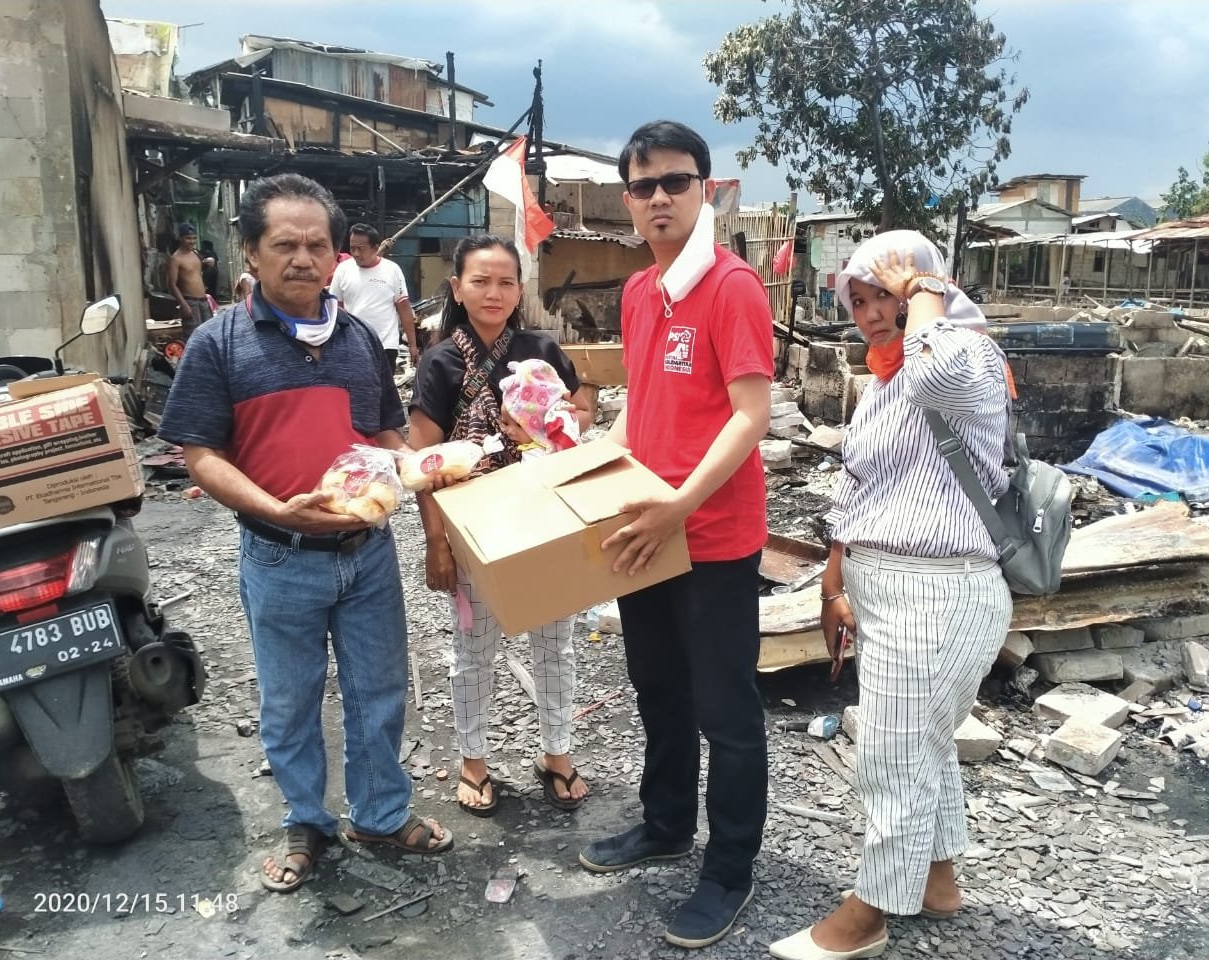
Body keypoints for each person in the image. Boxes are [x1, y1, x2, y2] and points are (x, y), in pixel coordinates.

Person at [157, 173, 452, 896]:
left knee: (380, 691)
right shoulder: (218, 342)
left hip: (367, 553)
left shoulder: (355, 339)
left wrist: (420, 464)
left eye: (316, 244)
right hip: (278, 554)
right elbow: (198, 452)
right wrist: (272, 508)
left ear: (337, 256)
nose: (302, 258)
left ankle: (382, 814)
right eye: (283, 244)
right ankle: (305, 822)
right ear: (250, 254)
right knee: (289, 702)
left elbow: (380, 429)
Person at [768, 230, 1011, 960]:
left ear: (928, 290)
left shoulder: (967, 354)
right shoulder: (886, 375)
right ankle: (937, 878)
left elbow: (939, 379)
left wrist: (925, 293)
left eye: (889, 294)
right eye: (862, 297)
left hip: (939, 591)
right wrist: (835, 579)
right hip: (887, 589)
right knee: (920, 746)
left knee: (890, 755)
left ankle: (871, 910)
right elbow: (861, 480)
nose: (874, 312)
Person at [577, 120, 773, 951]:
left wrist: (679, 506)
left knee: (725, 712)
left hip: (714, 535)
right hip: (647, 530)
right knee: (657, 690)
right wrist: (592, 463)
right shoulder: (636, 293)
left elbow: (750, 417)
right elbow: (645, 410)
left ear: (707, 189)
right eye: (644, 185)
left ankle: (730, 866)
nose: (659, 198)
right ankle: (664, 825)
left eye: (676, 182)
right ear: (628, 200)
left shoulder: (732, 287)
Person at [408, 235, 593, 818]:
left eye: (506, 282)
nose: (494, 292)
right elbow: (422, 460)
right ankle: (474, 760)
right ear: (457, 287)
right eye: (480, 281)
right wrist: (437, 544)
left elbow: (581, 414)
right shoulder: (438, 362)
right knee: (474, 647)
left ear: (520, 290)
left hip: (543, 518)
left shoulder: (539, 348)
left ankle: (557, 754)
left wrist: (544, 424)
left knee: (555, 644)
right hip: (474, 529)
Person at [330, 223, 419, 373]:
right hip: (354, 345)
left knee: (383, 393)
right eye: (352, 248)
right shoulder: (343, 270)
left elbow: (403, 308)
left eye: (361, 249)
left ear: (375, 248)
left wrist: (413, 345)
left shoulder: (392, 270)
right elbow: (334, 308)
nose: (356, 253)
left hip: (385, 345)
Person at [167, 223, 213, 337]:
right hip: (190, 302)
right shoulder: (175, 259)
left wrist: (208, 262)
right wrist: (183, 304)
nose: (192, 241)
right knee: (193, 337)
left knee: (210, 334)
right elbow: (172, 284)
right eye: (188, 238)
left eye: (194, 238)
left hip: (203, 301)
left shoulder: (195, 253)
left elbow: (194, 271)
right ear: (181, 238)